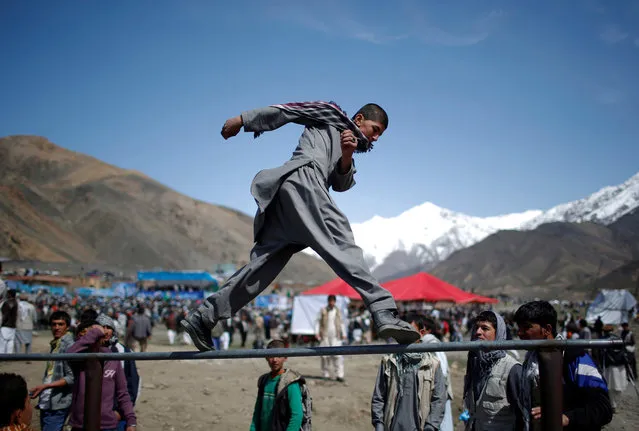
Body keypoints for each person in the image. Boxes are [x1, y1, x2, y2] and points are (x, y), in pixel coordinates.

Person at [181, 101, 420, 350]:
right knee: (343, 246)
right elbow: (288, 111)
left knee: (260, 270)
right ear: (359, 119)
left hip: (288, 204)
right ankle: (383, 311)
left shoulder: (350, 145)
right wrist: (243, 120)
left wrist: (346, 154)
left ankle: (203, 318)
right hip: (303, 182)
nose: (377, 138)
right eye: (376, 129)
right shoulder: (331, 113)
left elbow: (340, 183)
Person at [514, 300, 612, 431]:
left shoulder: (575, 358)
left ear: (547, 329)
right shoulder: (531, 359)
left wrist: (565, 417)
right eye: (519, 328)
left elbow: (603, 409)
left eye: (526, 327)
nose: (519, 333)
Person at [371, 313, 446, 431]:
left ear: (421, 333)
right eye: (402, 331)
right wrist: (379, 423)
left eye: (409, 330)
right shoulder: (389, 361)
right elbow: (379, 396)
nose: (405, 335)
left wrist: (431, 425)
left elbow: (439, 399)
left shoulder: (433, 364)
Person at [67, 320, 137, 431]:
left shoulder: (113, 359)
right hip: (81, 424)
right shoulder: (79, 359)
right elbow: (68, 355)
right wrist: (94, 332)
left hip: (106, 424)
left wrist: (131, 421)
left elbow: (123, 393)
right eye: (89, 335)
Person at [462, 310, 524, 431]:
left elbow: (522, 415)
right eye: (476, 328)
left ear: (498, 333)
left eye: (485, 328)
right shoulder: (475, 363)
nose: (478, 332)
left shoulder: (512, 369)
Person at [29, 311, 75, 431]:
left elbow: (71, 377)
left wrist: (46, 386)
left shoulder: (68, 345)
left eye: (61, 324)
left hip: (58, 402)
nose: (57, 328)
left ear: (67, 326)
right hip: (48, 401)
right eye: (54, 324)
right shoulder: (56, 344)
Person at [249, 339, 308, 431]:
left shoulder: (290, 383)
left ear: (285, 357)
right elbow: (257, 412)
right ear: (266, 357)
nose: (275, 360)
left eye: (279, 356)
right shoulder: (263, 381)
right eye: (271, 356)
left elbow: (296, 416)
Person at [96, 314, 141, 431]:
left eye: (108, 327)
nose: (105, 331)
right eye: (101, 327)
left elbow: (132, 384)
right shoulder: (88, 351)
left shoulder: (123, 352)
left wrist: (121, 412)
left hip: (116, 414)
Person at [420, 315, 454, 431]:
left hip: (438, 393)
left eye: (421, 328)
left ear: (428, 330)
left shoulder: (430, 344)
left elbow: (442, 372)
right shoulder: (428, 344)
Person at [315, 295, 346, 382]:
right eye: (330, 301)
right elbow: (317, 321)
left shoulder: (338, 311)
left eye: (333, 301)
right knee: (325, 356)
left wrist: (344, 333)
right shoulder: (323, 310)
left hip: (336, 336)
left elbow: (342, 322)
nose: (331, 303)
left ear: (335, 302)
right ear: (328, 301)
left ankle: (339, 375)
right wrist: (317, 333)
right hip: (325, 336)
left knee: (338, 356)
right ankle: (325, 374)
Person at [599, 324, 627, 411]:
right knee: (619, 386)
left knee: (610, 386)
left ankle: (613, 404)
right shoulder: (618, 338)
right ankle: (614, 404)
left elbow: (600, 353)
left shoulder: (603, 339)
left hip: (610, 366)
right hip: (620, 366)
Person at [0, 289, 18, 354]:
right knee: (11, 341)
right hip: (13, 325)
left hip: (6, 325)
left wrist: (2, 323)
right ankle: (9, 355)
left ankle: (2, 355)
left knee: (3, 341)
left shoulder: (7, 303)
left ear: (9, 294)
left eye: (7, 294)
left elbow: (5, 315)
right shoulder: (16, 302)